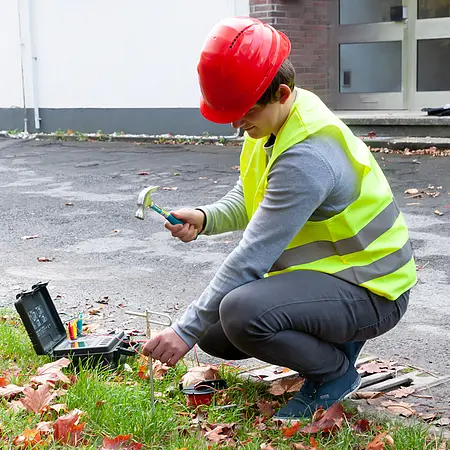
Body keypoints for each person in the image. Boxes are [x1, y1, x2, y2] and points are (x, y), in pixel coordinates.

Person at [142, 16, 417, 419]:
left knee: (239, 314)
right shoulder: (274, 123)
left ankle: (334, 373)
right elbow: (251, 196)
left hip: (374, 290)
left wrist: (183, 330)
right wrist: (204, 217)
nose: (236, 124)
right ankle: (334, 343)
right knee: (219, 331)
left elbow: (251, 258)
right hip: (337, 277)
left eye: (242, 112)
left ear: (281, 92)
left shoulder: (308, 154)